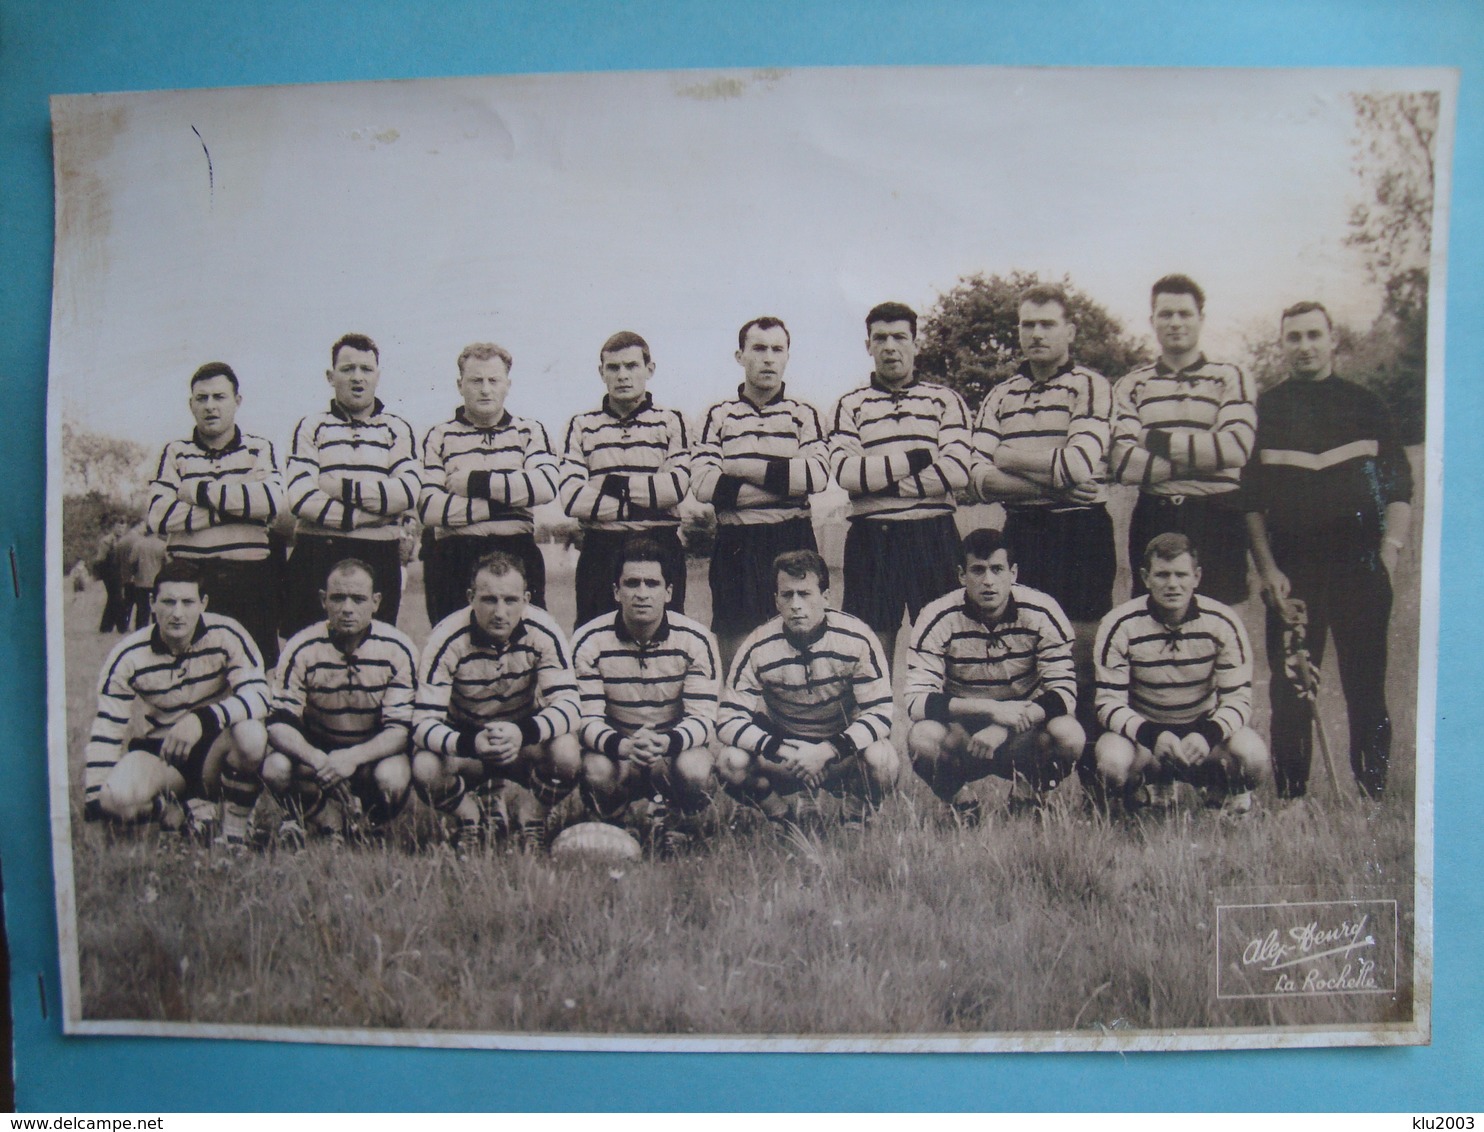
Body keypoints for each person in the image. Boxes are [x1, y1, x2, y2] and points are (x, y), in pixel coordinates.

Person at [1245, 301, 1413, 800]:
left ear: (1332, 340)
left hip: (1361, 569)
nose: (1304, 346)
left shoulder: (1366, 404)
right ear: (1282, 345)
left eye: (1313, 335)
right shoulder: (1267, 411)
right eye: (1293, 337)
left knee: (1366, 687)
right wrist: (1268, 569)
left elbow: (1400, 488)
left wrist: (1390, 554)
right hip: (1293, 574)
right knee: (1292, 689)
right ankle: (1293, 796)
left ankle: (1372, 792)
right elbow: (1251, 502)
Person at [81, 560, 269, 847]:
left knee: (252, 735)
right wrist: (95, 810)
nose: (177, 613)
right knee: (113, 800)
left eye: (187, 602)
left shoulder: (227, 633)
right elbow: (107, 730)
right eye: (168, 602)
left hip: (214, 750)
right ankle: (174, 809)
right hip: (163, 753)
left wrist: (201, 719)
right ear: (152, 602)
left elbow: (260, 696)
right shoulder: (129, 655)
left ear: (203, 603)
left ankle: (234, 828)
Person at [904, 528, 1082, 824]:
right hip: (963, 734)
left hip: (1023, 733)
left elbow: (1064, 693)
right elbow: (915, 701)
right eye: (978, 570)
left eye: (997, 569)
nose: (988, 581)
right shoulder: (936, 616)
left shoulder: (1042, 611)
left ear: (1013, 573)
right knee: (922, 738)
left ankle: (1027, 797)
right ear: (962, 575)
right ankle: (962, 804)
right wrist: (990, 709)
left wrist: (1003, 726)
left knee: (1070, 734)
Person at [828, 302, 972, 660]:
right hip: (872, 538)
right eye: (880, 338)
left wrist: (878, 481)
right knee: (870, 654)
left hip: (934, 535)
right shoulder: (850, 405)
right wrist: (918, 461)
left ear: (916, 343)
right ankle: (879, 718)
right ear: (868, 346)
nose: (890, 346)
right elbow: (847, 473)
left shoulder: (945, 400)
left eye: (899, 337)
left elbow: (956, 470)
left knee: (948, 645)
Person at [412, 552, 582, 852]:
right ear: (471, 597)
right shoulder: (445, 638)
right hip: (468, 743)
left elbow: (569, 707)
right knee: (425, 766)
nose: (500, 612)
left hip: (522, 741)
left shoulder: (544, 630)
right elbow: (423, 724)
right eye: (489, 599)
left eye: (510, 600)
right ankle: (470, 819)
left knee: (567, 752)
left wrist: (522, 732)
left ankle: (532, 816)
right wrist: (471, 743)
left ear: (527, 599)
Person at [717, 550, 898, 831]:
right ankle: (782, 818)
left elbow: (881, 712)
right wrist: (778, 748)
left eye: (805, 593)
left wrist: (828, 750)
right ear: (776, 600)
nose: (796, 605)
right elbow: (728, 719)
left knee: (883, 759)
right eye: (787, 595)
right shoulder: (758, 646)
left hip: (840, 751)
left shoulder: (857, 638)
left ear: (826, 597)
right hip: (786, 754)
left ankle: (854, 817)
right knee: (730, 761)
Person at [1092, 533, 1268, 816]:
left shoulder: (1222, 621)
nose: (1172, 584)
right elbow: (1107, 704)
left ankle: (1226, 792)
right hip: (1146, 737)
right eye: (1162, 575)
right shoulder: (1119, 624)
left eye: (1181, 574)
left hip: (1201, 732)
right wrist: (1152, 735)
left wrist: (1208, 735)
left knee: (1253, 757)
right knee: (1112, 762)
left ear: (1196, 577)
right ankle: (1146, 790)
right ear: (1146, 578)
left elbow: (1238, 700)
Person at [692, 316, 830, 674]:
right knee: (738, 654)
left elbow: (816, 476)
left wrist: (738, 466)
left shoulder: (804, 414)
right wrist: (784, 482)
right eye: (758, 349)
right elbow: (705, 485)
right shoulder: (717, 415)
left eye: (777, 349)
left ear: (787, 356)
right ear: (740, 356)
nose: (768, 358)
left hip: (792, 536)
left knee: (802, 644)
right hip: (736, 543)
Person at [1111, 275, 1256, 605]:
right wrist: (1205, 456)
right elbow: (1122, 463)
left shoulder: (1230, 376)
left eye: (1184, 314)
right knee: (1151, 624)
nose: (1175, 323)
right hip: (1155, 513)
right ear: (1152, 321)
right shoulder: (1133, 384)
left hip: (1217, 516)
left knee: (1220, 621)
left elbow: (1236, 447)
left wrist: (1152, 439)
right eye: (1165, 314)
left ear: (1201, 319)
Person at [572, 538, 720, 853]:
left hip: (671, 753)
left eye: (652, 583)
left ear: (668, 592)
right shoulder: (588, 640)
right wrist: (624, 745)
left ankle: (677, 824)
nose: (642, 593)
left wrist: (666, 743)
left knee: (697, 768)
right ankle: (618, 824)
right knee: (594, 769)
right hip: (617, 753)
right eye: (632, 583)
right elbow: (586, 720)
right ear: (616, 591)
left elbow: (704, 719)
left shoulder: (696, 640)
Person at [262, 559, 416, 843]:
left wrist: (352, 758)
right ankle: (316, 817)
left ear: (376, 602)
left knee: (393, 777)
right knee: (276, 768)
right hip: (317, 757)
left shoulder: (397, 648)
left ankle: (370, 825)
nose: (347, 608)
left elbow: (401, 730)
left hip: (371, 757)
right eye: (338, 598)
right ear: (323, 600)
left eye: (358, 599)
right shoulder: (302, 646)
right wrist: (317, 758)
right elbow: (278, 723)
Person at [146, 362, 286, 665]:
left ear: (237, 401)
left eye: (219, 397)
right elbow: (158, 515)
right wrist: (233, 509)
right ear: (191, 404)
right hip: (190, 579)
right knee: (191, 671)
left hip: (250, 579)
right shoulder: (175, 452)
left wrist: (197, 493)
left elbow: (271, 500)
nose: (210, 406)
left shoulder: (258, 448)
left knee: (253, 672)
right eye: (202, 398)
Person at [282, 333, 421, 638]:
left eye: (366, 369)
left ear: (378, 376)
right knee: (309, 652)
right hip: (317, 553)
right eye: (347, 369)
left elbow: (408, 491)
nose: (357, 377)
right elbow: (300, 496)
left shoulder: (396, 428)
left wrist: (337, 488)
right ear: (331, 376)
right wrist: (369, 516)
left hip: (378, 556)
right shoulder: (311, 426)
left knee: (375, 653)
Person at [419, 341, 561, 624]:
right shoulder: (439, 435)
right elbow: (429, 508)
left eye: (493, 380)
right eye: (476, 380)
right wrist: (507, 502)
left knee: (526, 643)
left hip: (517, 550)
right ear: (460, 385)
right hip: (453, 557)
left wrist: (474, 484)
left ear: (507, 384)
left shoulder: (529, 431)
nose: (485, 389)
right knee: (453, 642)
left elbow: (544, 486)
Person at [558, 332, 691, 628]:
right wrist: (648, 501)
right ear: (601, 372)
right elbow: (572, 498)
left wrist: (607, 484)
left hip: (660, 545)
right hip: (600, 550)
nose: (623, 375)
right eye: (613, 367)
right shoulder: (581, 425)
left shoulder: (672, 421)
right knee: (596, 638)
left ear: (649, 369)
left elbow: (676, 487)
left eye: (631, 366)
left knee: (666, 640)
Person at [122, 522, 167, 632]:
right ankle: (157, 630)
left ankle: (141, 632)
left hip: (141, 581)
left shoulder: (138, 544)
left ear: (146, 530)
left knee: (142, 609)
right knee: (157, 607)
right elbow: (167, 562)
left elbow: (132, 561)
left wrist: (134, 574)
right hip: (157, 582)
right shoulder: (163, 545)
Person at [93, 516, 132, 634]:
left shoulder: (125, 540)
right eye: (118, 527)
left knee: (113, 599)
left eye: (123, 527)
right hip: (109, 572)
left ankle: (106, 627)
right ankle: (122, 627)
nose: (120, 530)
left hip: (120, 572)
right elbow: (100, 559)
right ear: (113, 527)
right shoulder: (107, 541)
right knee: (117, 598)